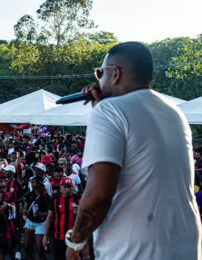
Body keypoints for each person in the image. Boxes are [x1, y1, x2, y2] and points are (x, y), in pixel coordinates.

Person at [65, 42, 202, 260]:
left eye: (100, 73)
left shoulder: (108, 111)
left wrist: (76, 239)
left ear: (116, 74)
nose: (98, 80)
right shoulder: (175, 114)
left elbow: (99, 194)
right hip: (184, 246)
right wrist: (104, 106)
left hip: (133, 250)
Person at [43, 177, 81, 260]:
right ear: (60, 187)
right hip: (59, 237)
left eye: (69, 186)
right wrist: (45, 236)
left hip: (75, 238)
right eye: (65, 186)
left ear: (72, 187)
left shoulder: (78, 198)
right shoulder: (55, 199)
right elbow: (50, 218)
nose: (67, 189)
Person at [23, 175, 50, 260]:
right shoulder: (29, 194)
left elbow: (50, 211)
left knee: (39, 246)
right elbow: (25, 207)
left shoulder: (46, 196)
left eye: (33, 182)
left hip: (41, 223)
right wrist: (24, 211)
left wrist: (41, 214)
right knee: (27, 244)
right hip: (30, 221)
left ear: (39, 183)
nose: (31, 184)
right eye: (31, 182)